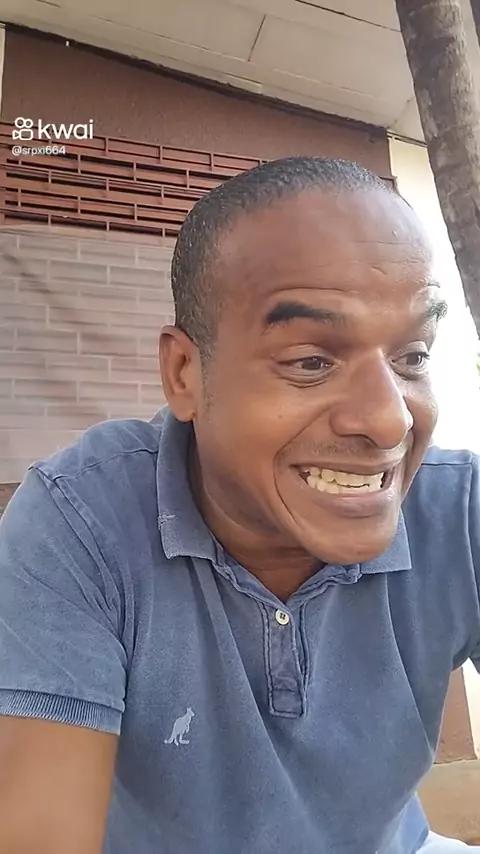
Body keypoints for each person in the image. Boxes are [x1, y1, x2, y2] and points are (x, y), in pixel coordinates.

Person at [0, 156, 479, 854]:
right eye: (311, 362)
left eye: (412, 356)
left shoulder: (458, 511)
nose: (389, 421)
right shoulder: (79, 521)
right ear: (184, 374)